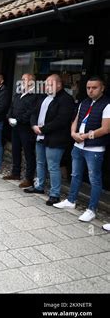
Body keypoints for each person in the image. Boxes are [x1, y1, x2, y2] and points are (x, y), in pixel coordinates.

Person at [53, 77, 110, 222]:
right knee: (75, 174)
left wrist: (86, 136)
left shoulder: (107, 104)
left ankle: (91, 210)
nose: (90, 90)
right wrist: (73, 133)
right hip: (78, 145)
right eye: (88, 88)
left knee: (94, 180)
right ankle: (71, 201)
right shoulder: (84, 102)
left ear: (102, 88)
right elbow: (75, 120)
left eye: (94, 87)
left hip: (94, 148)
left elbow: (105, 128)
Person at [26, 74, 75, 206]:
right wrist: (34, 125)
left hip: (55, 138)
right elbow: (33, 113)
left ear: (59, 85)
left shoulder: (66, 99)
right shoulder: (43, 97)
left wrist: (43, 129)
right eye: (46, 84)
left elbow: (61, 120)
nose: (47, 86)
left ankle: (54, 194)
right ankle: (39, 186)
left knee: (53, 166)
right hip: (40, 135)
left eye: (50, 84)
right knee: (40, 162)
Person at [4, 73, 41, 188]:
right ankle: (15, 173)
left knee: (28, 153)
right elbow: (11, 107)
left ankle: (29, 178)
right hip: (15, 127)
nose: (22, 81)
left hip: (26, 128)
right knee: (15, 150)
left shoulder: (35, 95)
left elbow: (31, 112)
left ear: (31, 81)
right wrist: (9, 117)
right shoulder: (18, 93)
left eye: (24, 79)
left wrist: (18, 120)